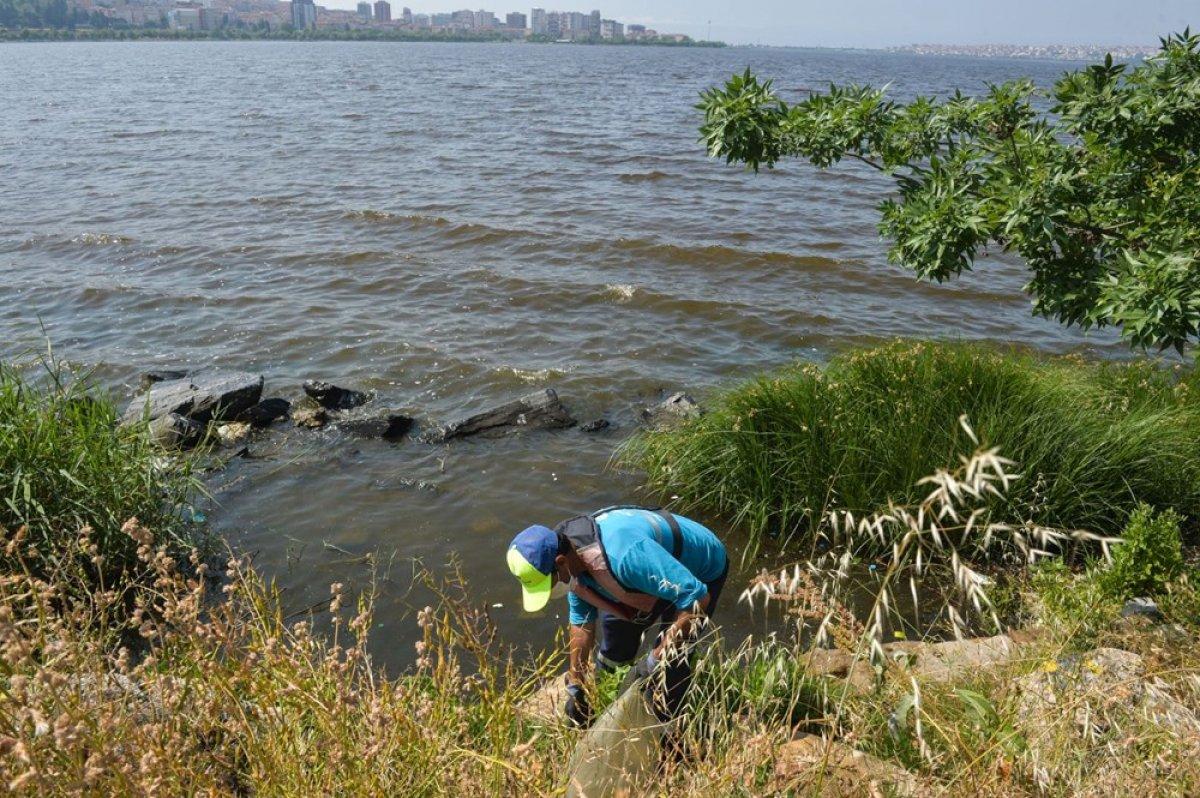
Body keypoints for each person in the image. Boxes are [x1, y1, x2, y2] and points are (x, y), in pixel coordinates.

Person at [506, 505, 728, 727]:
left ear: (561, 563)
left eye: (549, 585)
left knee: (670, 666)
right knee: (616, 644)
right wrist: (576, 685)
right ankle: (607, 701)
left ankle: (671, 738)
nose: (552, 591)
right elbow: (581, 627)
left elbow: (697, 597)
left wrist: (656, 657)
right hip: (651, 572)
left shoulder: (624, 556)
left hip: (698, 571)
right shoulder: (573, 564)